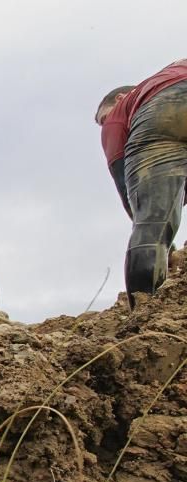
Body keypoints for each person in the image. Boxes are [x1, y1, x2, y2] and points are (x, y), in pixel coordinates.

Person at [95, 59, 187, 308]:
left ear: (121, 98)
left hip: (165, 110)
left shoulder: (121, 109)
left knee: (151, 226)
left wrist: (159, 242)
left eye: (102, 119)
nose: (105, 125)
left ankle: (146, 314)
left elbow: (122, 175)